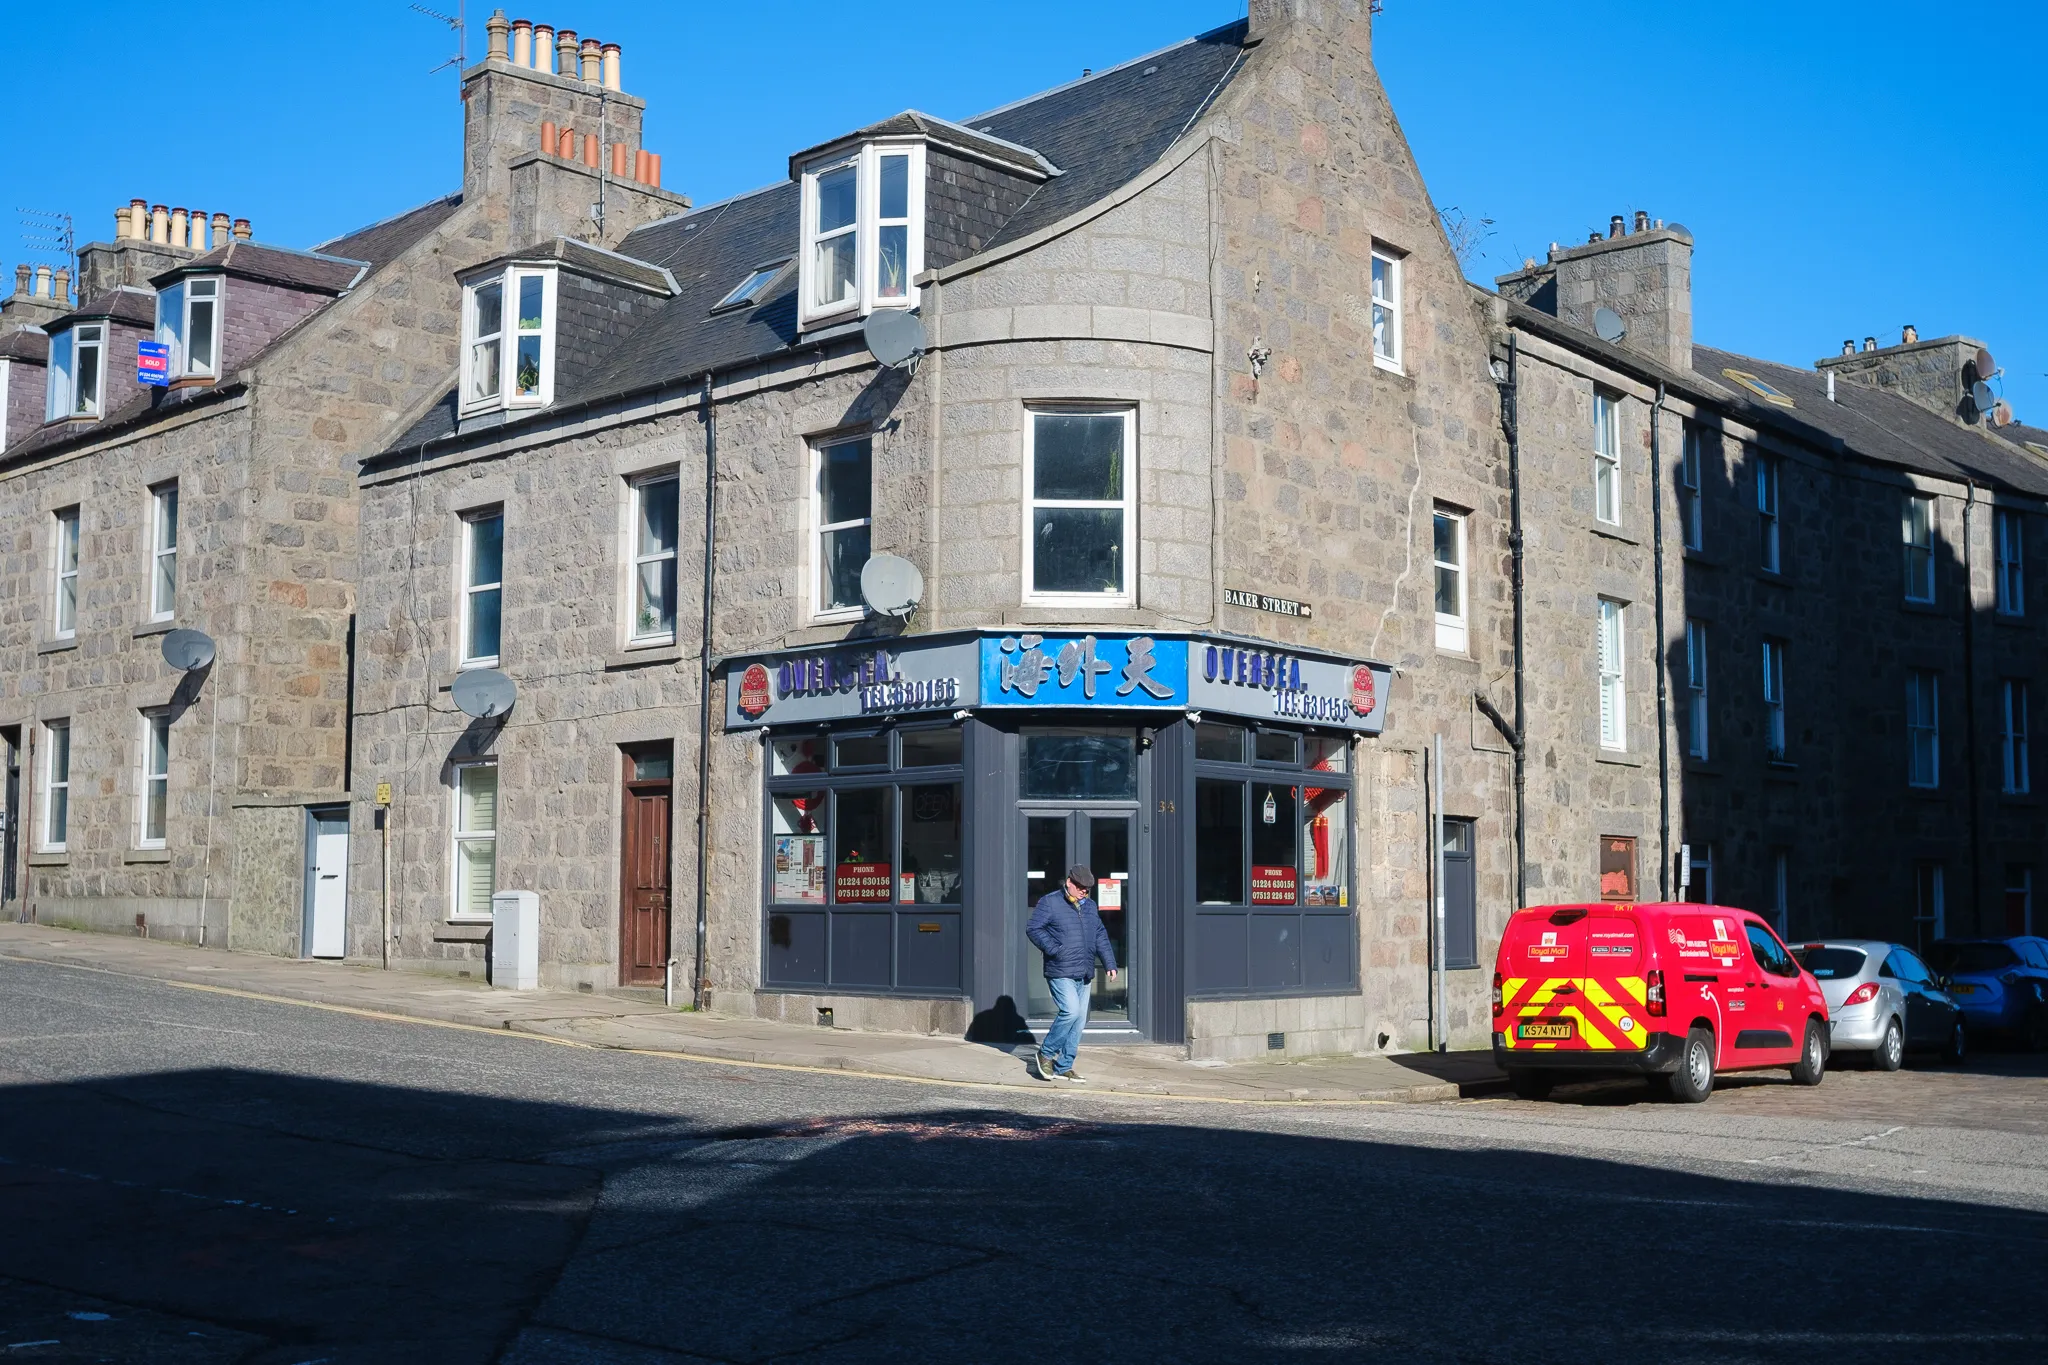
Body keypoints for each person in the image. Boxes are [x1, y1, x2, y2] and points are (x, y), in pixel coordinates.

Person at [1026, 864, 1119, 1083]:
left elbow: (1099, 934)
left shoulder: (1090, 906)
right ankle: (1045, 1053)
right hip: (1061, 969)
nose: (1083, 891)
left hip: (1084, 970)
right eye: (1080, 887)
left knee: (1079, 1020)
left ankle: (1064, 1066)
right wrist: (1054, 950)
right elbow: (1033, 928)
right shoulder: (1050, 902)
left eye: (1087, 889)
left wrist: (1110, 963)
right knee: (1070, 1011)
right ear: (1069, 882)